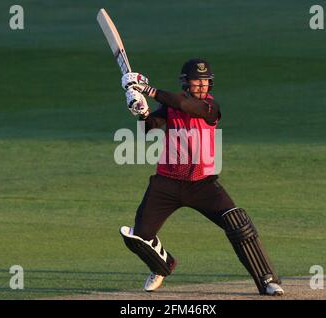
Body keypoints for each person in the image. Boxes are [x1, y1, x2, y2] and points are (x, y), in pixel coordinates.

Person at [118, 58, 284, 296]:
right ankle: (162, 266)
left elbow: (186, 106)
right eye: (197, 81)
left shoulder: (210, 108)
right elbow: (149, 129)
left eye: (205, 82)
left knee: (238, 224)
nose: (202, 86)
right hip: (167, 182)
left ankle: (267, 280)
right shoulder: (170, 106)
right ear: (186, 83)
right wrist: (141, 111)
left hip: (203, 184)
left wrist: (147, 89)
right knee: (138, 236)